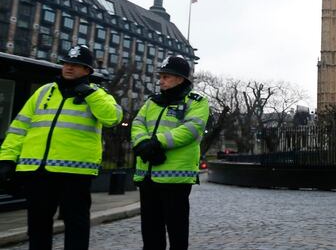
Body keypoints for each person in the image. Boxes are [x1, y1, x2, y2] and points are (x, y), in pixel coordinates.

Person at [0, 45, 122, 250]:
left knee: (76, 224)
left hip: (75, 172)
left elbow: (112, 118)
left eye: (76, 65)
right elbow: (20, 126)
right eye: (66, 63)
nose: (69, 68)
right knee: (37, 225)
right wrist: (7, 158)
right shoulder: (44, 92)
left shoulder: (98, 94)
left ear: (88, 71)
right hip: (37, 170)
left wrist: (90, 95)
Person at [131, 55, 208, 250]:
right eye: (161, 76)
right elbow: (137, 123)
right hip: (147, 175)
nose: (161, 81)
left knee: (177, 232)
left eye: (166, 77)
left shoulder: (196, 102)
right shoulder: (152, 102)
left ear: (181, 79)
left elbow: (191, 129)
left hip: (175, 178)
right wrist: (142, 144)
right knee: (150, 231)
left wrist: (156, 143)